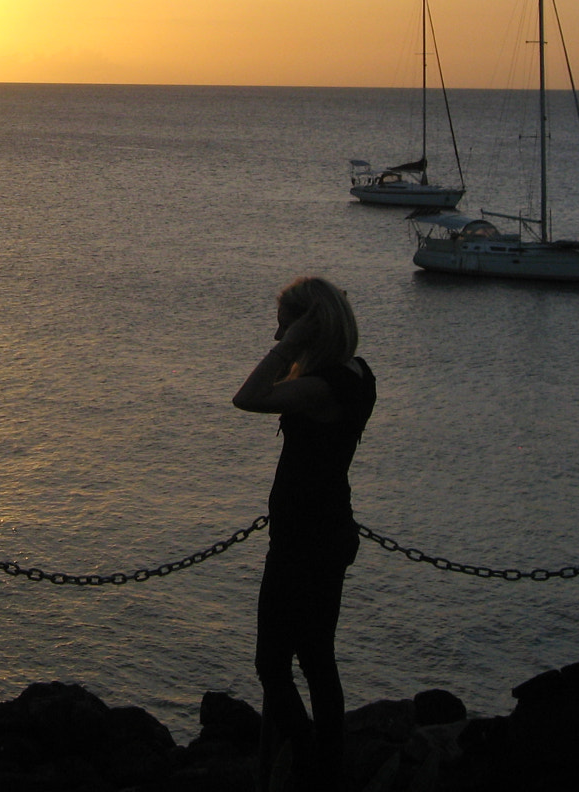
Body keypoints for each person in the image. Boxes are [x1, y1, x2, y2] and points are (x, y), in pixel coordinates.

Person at [232, 277, 376, 792]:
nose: (275, 334)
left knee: (273, 664)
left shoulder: (322, 387)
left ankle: (313, 764)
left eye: (283, 323)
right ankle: (328, 765)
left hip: (303, 540)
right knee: (317, 657)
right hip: (328, 529)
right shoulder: (357, 374)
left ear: (308, 326)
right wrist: (297, 343)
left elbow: (247, 398)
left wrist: (291, 344)